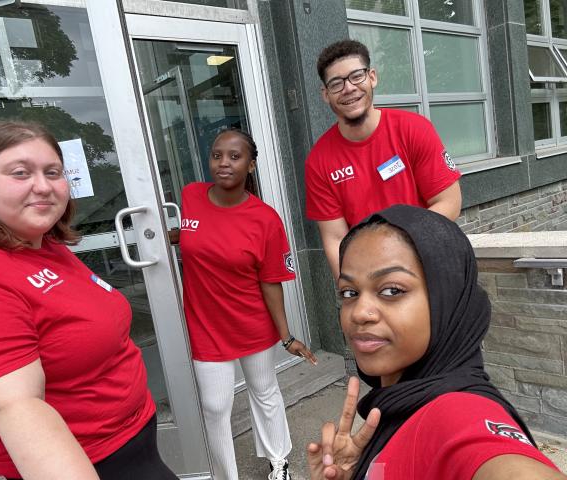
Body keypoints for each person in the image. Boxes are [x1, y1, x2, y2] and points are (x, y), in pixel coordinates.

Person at [0, 121, 177, 480]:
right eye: (20, 173)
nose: (43, 186)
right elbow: (17, 407)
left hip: (132, 444)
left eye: (53, 172)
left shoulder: (44, 247)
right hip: (84, 461)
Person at [306, 204, 566, 480]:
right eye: (349, 292)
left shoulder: (455, 414)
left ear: (447, 300)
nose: (359, 312)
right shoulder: (399, 406)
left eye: (391, 290)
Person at [170, 128, 317, 480]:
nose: (223, 163)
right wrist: (173, 236)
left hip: (251, 324)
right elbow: (191, 235)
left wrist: (286, 336)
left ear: (251, 166)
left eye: (234, 157)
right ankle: (225, 476)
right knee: (215, 407)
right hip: (205, 326)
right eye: (217, 155)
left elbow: (270, 283)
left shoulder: (264, 219)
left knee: (264, 393)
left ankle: (279, 461)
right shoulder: (190, 196)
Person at [305, 39, 462, 279]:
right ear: (326, 94)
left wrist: (397, 248)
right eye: (336, 83)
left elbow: (449, 203)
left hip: (429, 267)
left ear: (372, 77)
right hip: (370, 278)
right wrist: (349, 293)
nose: (348, 88)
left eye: (356, 76)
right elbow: (335, 238)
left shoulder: (414, 129)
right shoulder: (319, 161)